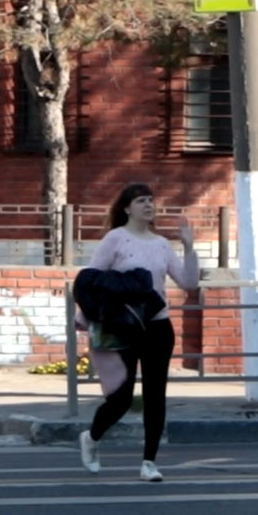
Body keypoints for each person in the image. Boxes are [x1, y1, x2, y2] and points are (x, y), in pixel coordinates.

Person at [76, 183, 199, 481]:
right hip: (124, 327)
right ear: (127, 208)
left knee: (156, 396)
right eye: (141, 200)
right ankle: (91, 437)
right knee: (122, 397)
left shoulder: (161, 244)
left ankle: (149, 463)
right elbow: (91, 280)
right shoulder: (115, 239)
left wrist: (189, 247)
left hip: (158, 326)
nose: (148, 205)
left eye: (151, 200)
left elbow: (188, 283)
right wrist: (84, 317)